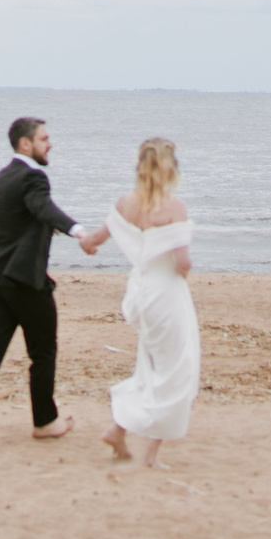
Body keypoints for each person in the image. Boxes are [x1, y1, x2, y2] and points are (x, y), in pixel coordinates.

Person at [0, 116, 101, 448]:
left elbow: (19, 222)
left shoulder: (0, 178)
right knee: (43, 351)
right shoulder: (34, 178)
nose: (50, 144)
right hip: (23, 280)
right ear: (26, 144)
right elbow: (43, 207)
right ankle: (45, 423)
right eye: (44, 138)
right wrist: (80, 232)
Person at [73, 136, 200, 469]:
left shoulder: (126, 204)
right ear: (170, 168)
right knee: (176, 371)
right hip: (165, 295)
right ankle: (150, 455)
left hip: (139, 293)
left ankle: (118, 430)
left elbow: (95, 241)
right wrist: (179, 272)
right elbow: (182, 263)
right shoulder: (174, 208)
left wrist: (82, 240)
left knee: (152, 367)